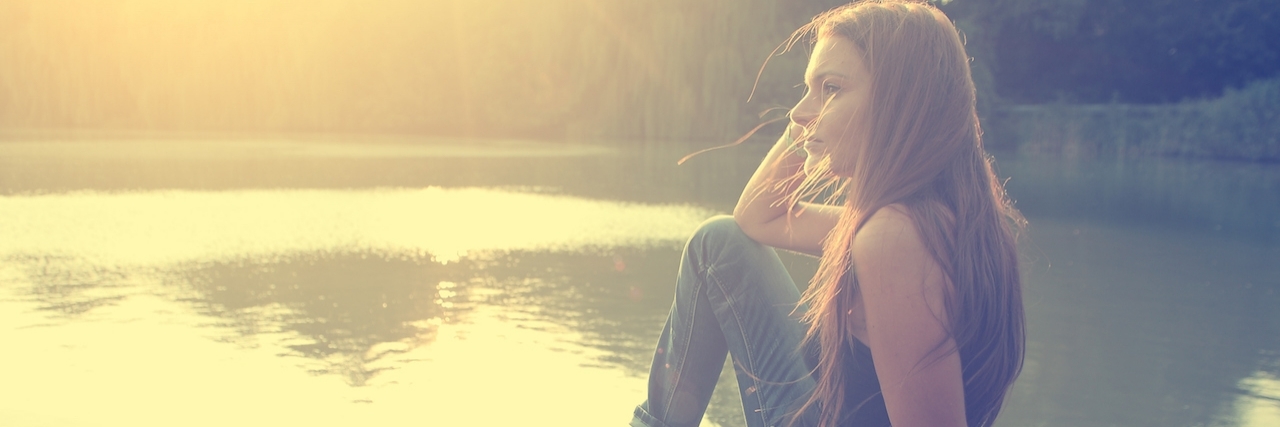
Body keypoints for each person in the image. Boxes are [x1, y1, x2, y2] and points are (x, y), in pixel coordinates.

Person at [629, 1, 1026, 426]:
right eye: (807, 89)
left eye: (831, 89)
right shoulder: (939, 218)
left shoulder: (895, 239)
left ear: (900, 100)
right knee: (718, 243)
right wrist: (814, 120)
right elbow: (755, 217)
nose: (798, 114)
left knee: (714, 244)